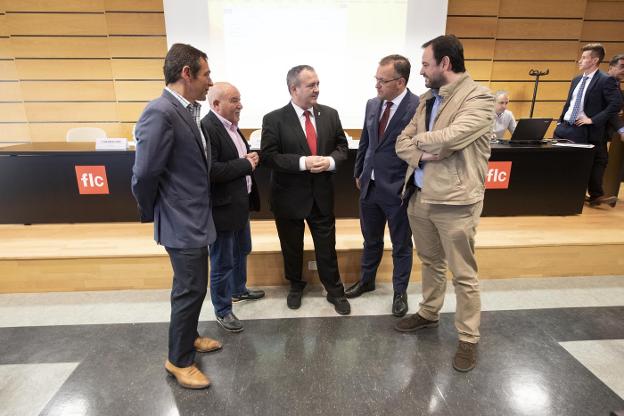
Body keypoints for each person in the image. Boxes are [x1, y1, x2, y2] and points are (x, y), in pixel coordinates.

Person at [394, 35, 494, 373]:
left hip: (455, 202)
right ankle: (428, 312)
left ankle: (468, 338)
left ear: (445, 64)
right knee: (431, 262)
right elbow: (400, 142)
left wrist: (420, 142)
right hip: (420, 197)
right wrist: (426, 151)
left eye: (425, 64)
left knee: (463, 275)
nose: (421, 70)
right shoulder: (426, 99)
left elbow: (454, 136)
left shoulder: (480, 97)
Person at [131, 43, 221, 390]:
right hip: (180, 220)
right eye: (206, 74)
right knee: (190, 288)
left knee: (193, 287)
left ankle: (190, 335)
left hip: (193, 217)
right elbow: (144, 174)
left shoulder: (186, 110)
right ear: (187, 74)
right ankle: (179, 360)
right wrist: (154, 211)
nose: (210, 82)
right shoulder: (160, 112)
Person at [261, 65, 351, 315]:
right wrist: (303, 163)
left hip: (321, 195)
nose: (317, 89)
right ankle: (296, 285)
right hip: (288, 197)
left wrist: (331, 161)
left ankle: (334, 290)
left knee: (327, 246)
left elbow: (342, 147)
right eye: (311, 85)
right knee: (291, 246)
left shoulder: (330, 114)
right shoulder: (274, 119)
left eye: (318, 84)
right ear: (294, 88)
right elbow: (269, 157)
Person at [346, 54, 419, 317]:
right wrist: (359, 172)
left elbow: (419, 148)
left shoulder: (417, 107)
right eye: (376, 79)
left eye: (382, 80)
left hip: (399, 189)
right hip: (370, 186)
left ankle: (400, 292)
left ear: (400, 82)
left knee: (401, 244)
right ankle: (367, 281)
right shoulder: (372, 104)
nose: (376, 85)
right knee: (371, 239)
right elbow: (365, 141)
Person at [201, 82, 264, 333]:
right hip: (222, 209)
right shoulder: (208, 128)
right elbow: (212, 171)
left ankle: (238, 290)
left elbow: (240, 160)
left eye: (240, 99)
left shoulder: (232, 127)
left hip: (239, 205)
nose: (240, 105)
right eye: (234, 100)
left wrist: (251, 159)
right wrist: (246, 164)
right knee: (222, 261)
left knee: (241, 250)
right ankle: (223, 310)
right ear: (216, 104)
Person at [553, 43, 622, 207]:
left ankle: (577, 195)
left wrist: (593, 119)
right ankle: (556, 190)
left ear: (594, 60)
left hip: (582, 130)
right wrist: (560, 120)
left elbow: (616, 104)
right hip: (564, 127)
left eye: (584, 58)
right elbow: (569, 102)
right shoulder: (577, 79)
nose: (580, 60)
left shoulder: (606, 80)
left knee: (579, 164)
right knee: (557, 160)